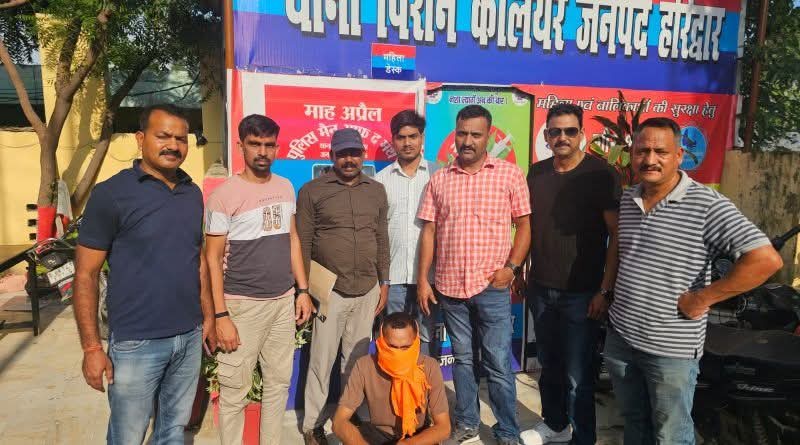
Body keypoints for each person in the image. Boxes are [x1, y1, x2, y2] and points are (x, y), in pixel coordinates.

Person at [605, 117, 783, 445]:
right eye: (642, 151)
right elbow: (622, 249)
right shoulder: (630, 199)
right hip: (622, 337)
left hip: (670, 350)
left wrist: (703, 298)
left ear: (679, 156)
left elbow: (766, 259)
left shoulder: (706, 205)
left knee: (671, 435)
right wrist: (606, 292)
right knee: (634, 422)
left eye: (661, 151)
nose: (650, 159)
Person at [73, 104, 216, 444]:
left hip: (189, 336)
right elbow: (86, 275)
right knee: (128, 435)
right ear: (140, 139)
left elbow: (197, 260)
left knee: (172, 430)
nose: (173, 145)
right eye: (163, 136)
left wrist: (208, 316)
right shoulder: (111, 194)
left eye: (181, 138)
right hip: (136, 342)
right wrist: (92, 348)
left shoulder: (192, 194)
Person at [417, 104, 532, 444]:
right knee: (463, 360)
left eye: (475, 135)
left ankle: (507, 430)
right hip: (451, 287)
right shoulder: (440, 179)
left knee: (497, 362)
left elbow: (524, 225)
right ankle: (467, 422)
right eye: (462, 133)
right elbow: (429, 232)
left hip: (492, 287)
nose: (467, 141)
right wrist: (423, 279)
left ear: (488, 136)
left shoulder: (509, 175)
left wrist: (512, 268)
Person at [205, 114, 315, 445]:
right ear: (241, 146)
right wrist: (221, 315)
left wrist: (302, 290)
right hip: (241, 307)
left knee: (278, 385)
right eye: (255, 144)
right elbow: (212, 259)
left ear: (277, 147)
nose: (263, 152)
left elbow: (292, 239)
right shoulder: (224, 195)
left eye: (269, 145)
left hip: (282, 303)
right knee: (234, 392)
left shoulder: (285, 186)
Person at [520, 104, 621, 445]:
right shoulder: (536, 173)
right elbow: (529, 228)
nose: (562, 137)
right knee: (549, 365)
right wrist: (520, 269)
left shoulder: (601, 175)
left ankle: (583, 437)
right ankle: (555, 424)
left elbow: (616, 235)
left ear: (582, 134)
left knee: (578, 376)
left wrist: (604, 290)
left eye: (570, 131)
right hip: (541, 287)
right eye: (555, 132)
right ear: (547, 136)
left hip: (582, 293)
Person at [298, 128, 391, 445]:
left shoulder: (376, 191)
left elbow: (382, 239)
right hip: (329, 291)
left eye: (354, 153)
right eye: (342, 153)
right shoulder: (312, 191)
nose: (349, 159)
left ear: (363, 155)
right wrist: (305, 290)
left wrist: (384, 281)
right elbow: (303, 243)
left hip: (367, 288)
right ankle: (312, 425)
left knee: (356, 360)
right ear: (331, 156)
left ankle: (349, 416)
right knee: (321, 361)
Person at [374, 110, 440, 357]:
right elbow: (378, 232)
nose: (407, 143)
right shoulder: (381, 180)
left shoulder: (438, 175)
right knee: (395, 340)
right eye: (401, 137)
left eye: (413, 136)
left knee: (426, 337)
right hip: (394, 278)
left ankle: (423, 382)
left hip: (431, 277)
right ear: (393, 140)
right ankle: (396, 382)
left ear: (422, 138)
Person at [331, 312, 451, 445]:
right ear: (381, 341)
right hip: (378, 433)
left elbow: (444, 427)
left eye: (405, 347)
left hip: (417, 435)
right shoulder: (364, 365)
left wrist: (407, 444)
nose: (398, 354)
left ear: (416, 341)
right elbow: (339, 422)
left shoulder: (429, 366)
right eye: (391, 347)